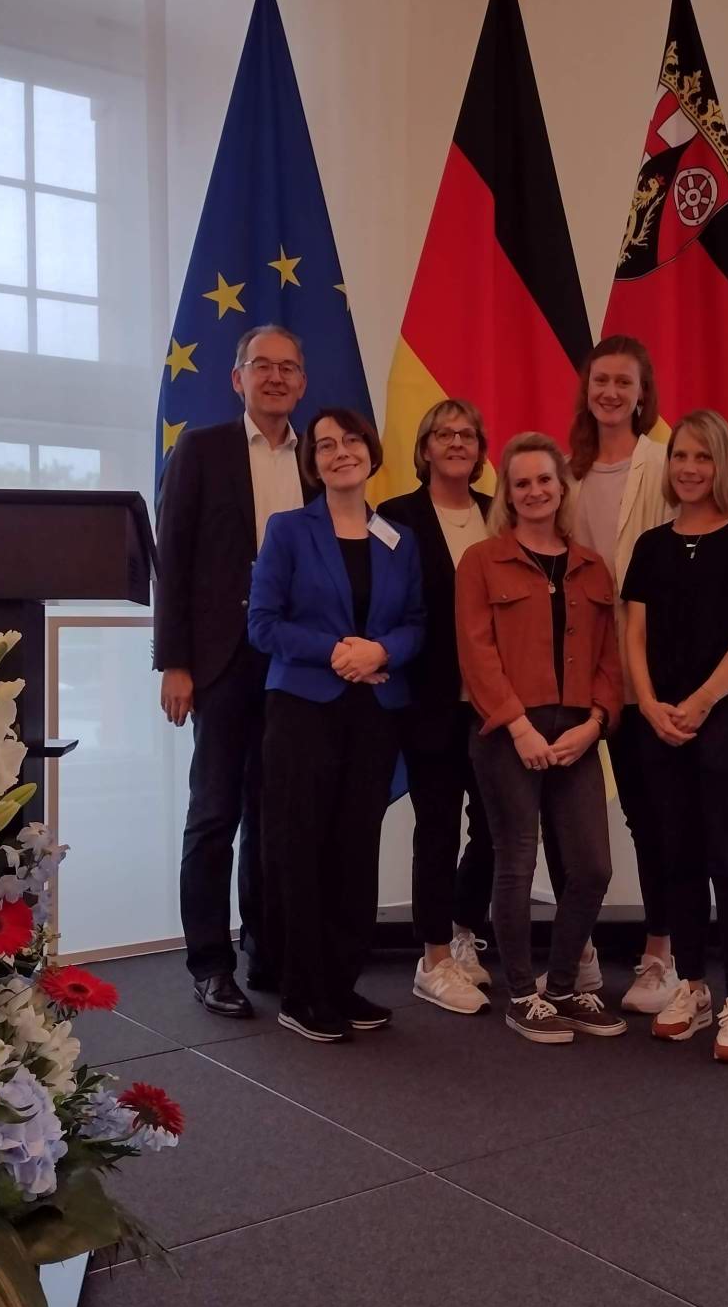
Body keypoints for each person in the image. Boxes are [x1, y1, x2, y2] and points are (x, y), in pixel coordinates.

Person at [248, 408, 425, 1043]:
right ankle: (301, 991)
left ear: (371, 453)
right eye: (325, 445)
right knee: (300, 850)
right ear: (313, 462)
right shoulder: (289, 530)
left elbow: (416, 624)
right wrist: (335, 651)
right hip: (303, 709)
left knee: (355, 850)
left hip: (372, 714)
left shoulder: (397, 538)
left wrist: (381, 652)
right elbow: (262, 624)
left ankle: (342, 982)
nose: (339, 452)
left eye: (350, 441)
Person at [153, 325, 308, 1019]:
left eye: (288, 368)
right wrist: (175, 662)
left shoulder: (319, 457)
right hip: (218, 660)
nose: (275, 377)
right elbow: (173, 558)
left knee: (274, 814)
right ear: (237, 377)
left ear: (302, 382)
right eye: (262, 366)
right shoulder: (205, 448)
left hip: (296, 662)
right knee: (215, 813)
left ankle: (267, 951)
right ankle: (210, 962)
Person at [622, 411, 728, 1062]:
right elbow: (633, 634)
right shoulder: (653, 547)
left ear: (724, 466)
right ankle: (692, 987)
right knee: (677, 860)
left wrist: (699, 701)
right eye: (681, 456)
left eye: (703, 457)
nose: (689, 468)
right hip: (661, 722)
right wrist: (653, 706)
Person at [457, 433, 626, 1044]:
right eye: (521, 482)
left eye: (544, 480)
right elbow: (476, 654)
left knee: (591, 868)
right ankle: (522, 995)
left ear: (561, 488)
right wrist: (520, 726)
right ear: (508, 492)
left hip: (578, 731)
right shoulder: (481, 561)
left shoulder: (590, 565)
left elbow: (611, 660)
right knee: (517, 862)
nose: (534, 491)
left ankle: (562, 989)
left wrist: (596, 724)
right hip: (510, 733)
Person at [563, 334, 679, 1014]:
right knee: (567, 813)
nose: (610, 392)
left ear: (642, 394)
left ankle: (659, 955)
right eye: (600, 380)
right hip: (577, 672)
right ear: (587, 388)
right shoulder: (566, 469)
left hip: (642, 672)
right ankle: (575, 949)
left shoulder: (664, 465)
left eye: (623, 382)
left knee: (648, 815)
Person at [379, 400, 498, 1015]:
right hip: (427, 700)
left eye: (467, 434)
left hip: (493, 703)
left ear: (480, 450)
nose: (456, 442)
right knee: (437, 827)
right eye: (444, 433)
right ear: (424, 448)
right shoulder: (393, 519)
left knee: (498, 828)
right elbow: (384, 602)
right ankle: (431, 959)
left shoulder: (497, 514)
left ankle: (461, 929)